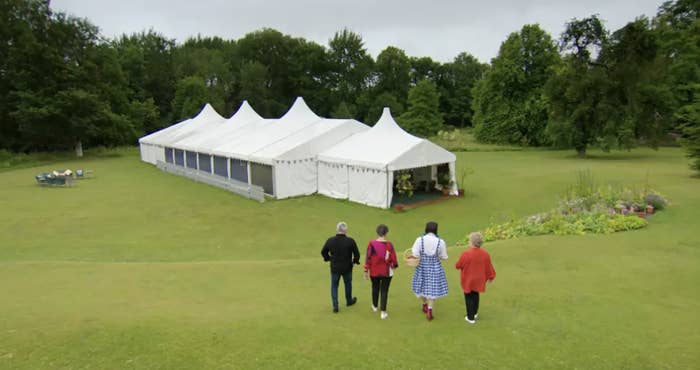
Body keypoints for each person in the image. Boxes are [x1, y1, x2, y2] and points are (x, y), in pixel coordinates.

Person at [410, 221, 448, 321]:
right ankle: (430, 310)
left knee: (421, 286)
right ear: (436, 229)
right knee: (433, 288)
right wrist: (437, 255)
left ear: (426, 229)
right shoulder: (441, 242)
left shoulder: (419, 240)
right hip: (435, 267)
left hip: (422, 266)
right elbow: (444, 257)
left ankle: (424, 304)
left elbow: (415, 254)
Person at [455, 232, 496, 324]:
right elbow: (489, 266)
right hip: (479, 279)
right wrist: (491, 276)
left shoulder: (466, 253)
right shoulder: (485, 254)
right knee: (476, 295)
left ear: (471, 242)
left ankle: (470, 317)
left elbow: (459, 265)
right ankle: (475, 312)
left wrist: (457, 266)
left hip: (469, 279)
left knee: (468, 297)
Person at [321, 221, 360, 313]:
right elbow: (357, 254)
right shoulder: (350, 241)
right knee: (348, 284)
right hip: (347, 267)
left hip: (335, 267)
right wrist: (355, 261)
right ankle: (349, 300)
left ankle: (335, 305)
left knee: (334, 285)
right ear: (345, 230)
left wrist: (328, 258)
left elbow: (323, 251)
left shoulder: (330, 240)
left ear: (337, 229)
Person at [363, 224, 398, 320]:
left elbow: (368, 258)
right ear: (386, 233)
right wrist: (393, 266)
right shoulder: (389, 245)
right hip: (386, 272)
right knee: (384, 291)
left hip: (374, 271)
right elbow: (393, 258)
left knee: (375, 287)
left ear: (377, 232)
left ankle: (374, 306)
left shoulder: (371, 244)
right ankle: (383, 312)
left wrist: (366, 270)